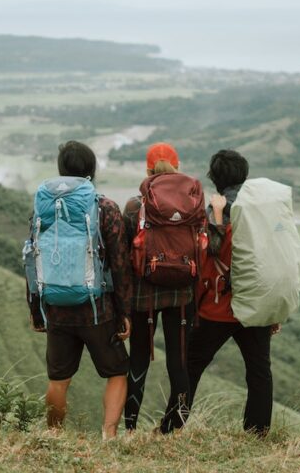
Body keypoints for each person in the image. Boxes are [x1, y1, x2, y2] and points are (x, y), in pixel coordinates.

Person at [26, 140, 133, 440]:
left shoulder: (43, 211)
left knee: (58, 379)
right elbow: (120, 263)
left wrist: (36, 310)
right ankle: (109, 435)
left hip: (56, 309)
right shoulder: (104, 208)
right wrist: (125, 311)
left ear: (61, 170)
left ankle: (54, 435)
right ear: (90, 170)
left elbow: (32, 261)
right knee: (116, 372)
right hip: (97, 309)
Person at [186, 149, 280, 436]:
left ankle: (171, 426)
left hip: (220, 305)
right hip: (255, 302)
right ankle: (257, 432)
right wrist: (272, 307)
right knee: (259, 371)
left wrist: (216, 213)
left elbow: (211, 250)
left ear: (215, 178)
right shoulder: (262, 208)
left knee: (190, 365)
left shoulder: (221, 207)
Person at [122, 142, 197, 434]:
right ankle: (173, 430)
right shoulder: (193, 205)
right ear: (177, 167)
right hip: (182, 296)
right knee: (178, 363)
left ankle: (129, 429)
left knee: (139, 359)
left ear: (148, 169)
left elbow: (124, 255)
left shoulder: (134, 205)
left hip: (144, 297)